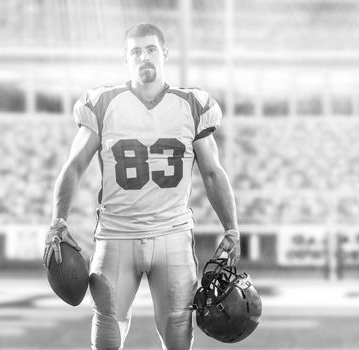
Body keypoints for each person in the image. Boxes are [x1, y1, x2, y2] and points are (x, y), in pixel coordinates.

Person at [42, 23, 241, 350]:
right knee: (106, 336)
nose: (143, 56)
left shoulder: (192, 104)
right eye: (135, 51)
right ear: (126, 59)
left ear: (164, 54)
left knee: (179, 338)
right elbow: (74, 165)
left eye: (150, 49)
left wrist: (232, 229)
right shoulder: (103, 103)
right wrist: (57, 222)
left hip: (172, 234)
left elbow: (213, 174)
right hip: (116, 235)